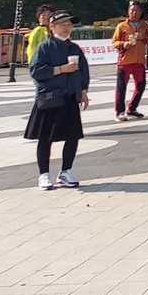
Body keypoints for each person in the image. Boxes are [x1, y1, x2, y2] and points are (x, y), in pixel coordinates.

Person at [25, 10, 89, 190]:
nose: (67, 27)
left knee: (73, 136)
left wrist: (83, 90)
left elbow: (83, 71)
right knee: (45, 138)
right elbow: (36, 71)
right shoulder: (45, 47)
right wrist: (61, 69)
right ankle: (43, 175)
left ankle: (66, 171)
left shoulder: (74, 48)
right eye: (63, 24)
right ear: (52, 27)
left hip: (70, 97)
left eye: (69, 24)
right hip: (50, 98)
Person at [111, 0, 148, 122]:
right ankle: (119, 112)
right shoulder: (122, 26)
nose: (134, 13)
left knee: (141, 86)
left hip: (139, 61)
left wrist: (144, 38)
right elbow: (114, 42)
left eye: (137, 10)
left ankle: (132, 108)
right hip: (125, 61)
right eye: (132, 10)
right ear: (128, 11)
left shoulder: (145, 25)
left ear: (141, 12)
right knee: (121, 87)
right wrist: (123, 44)